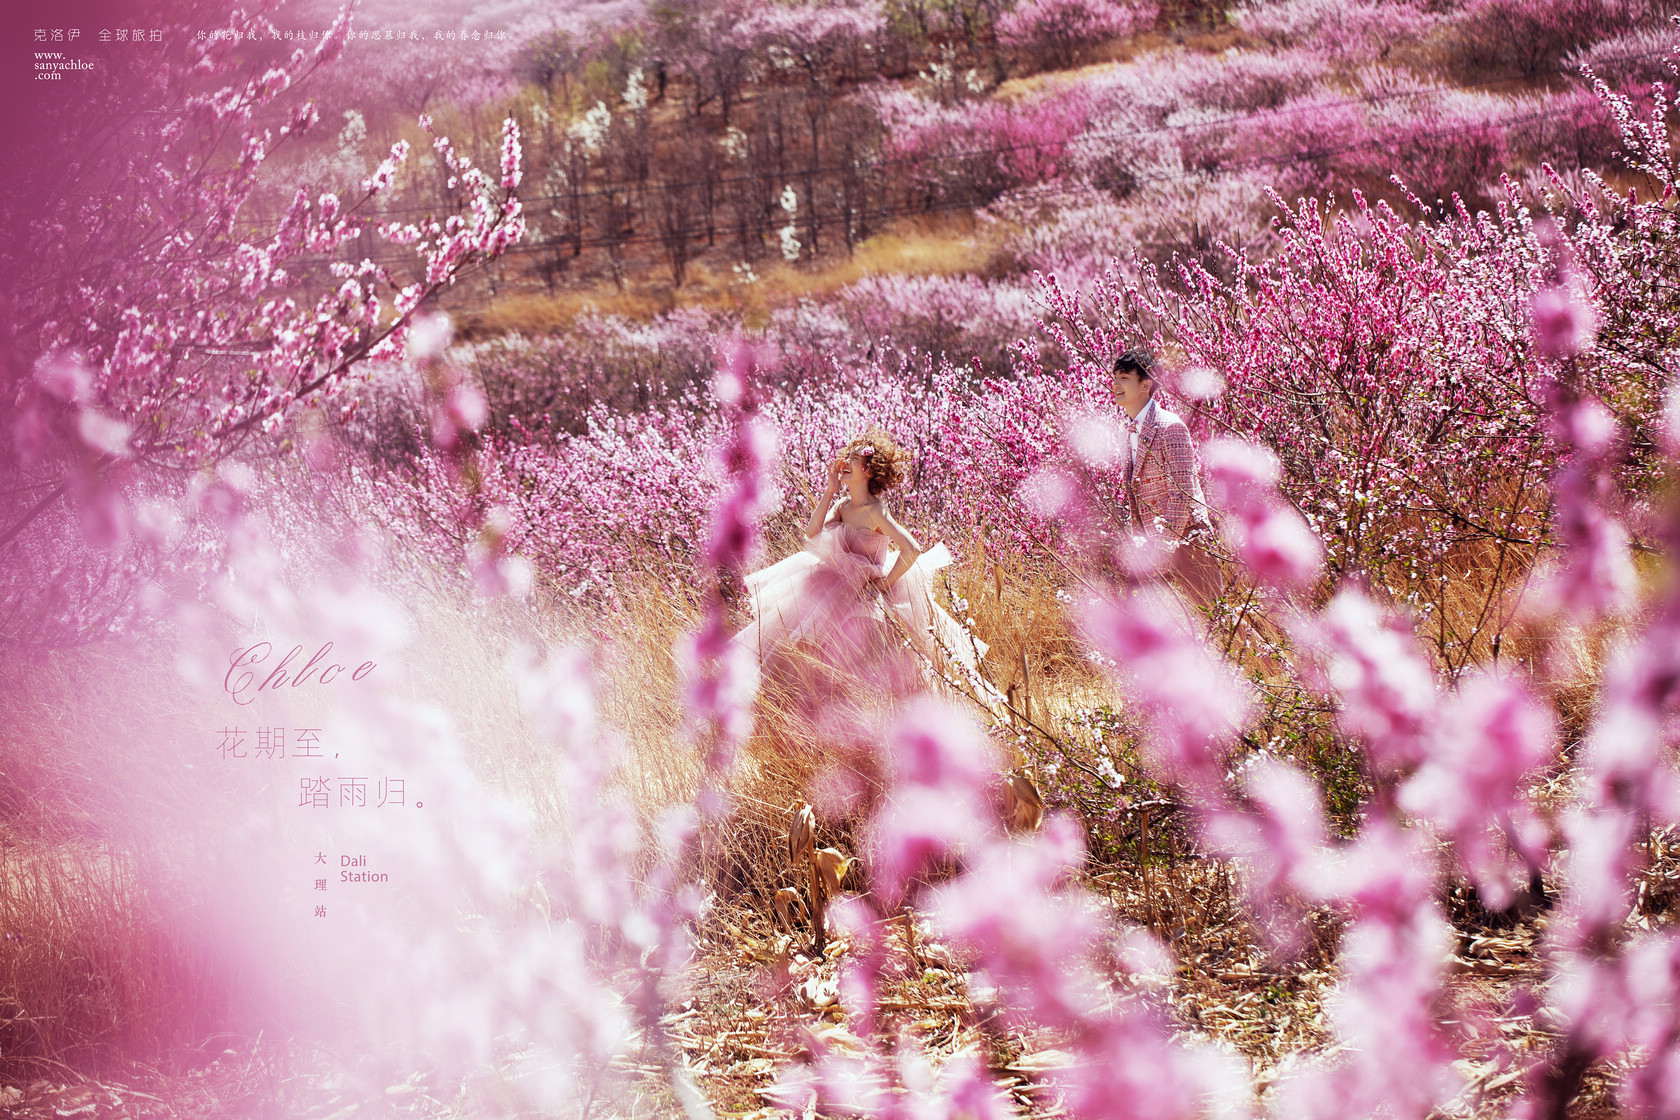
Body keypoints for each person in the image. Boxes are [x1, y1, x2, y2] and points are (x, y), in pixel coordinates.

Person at [731, 429, 993, 700]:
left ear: (868, 472)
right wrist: (830, 490)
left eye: (852, 459)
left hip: (870, 594)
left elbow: (911, 549)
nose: (844, 462)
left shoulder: (876, 510)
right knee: (812, 645)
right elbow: (812, 533)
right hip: (840, 589)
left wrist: (886, 583)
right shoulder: (844, 506)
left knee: (873, 657)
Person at [1110, 347, 1221, 608]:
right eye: (1114, 378)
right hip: (1151, 544)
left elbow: (1181, 493)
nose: (1115, 385)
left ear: (1146, 384)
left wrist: (1162, 547)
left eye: (1124, 378)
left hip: (1189, 539)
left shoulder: (1170, 427)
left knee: (1217, 621)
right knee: (1135, 616)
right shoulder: (1127, 432)